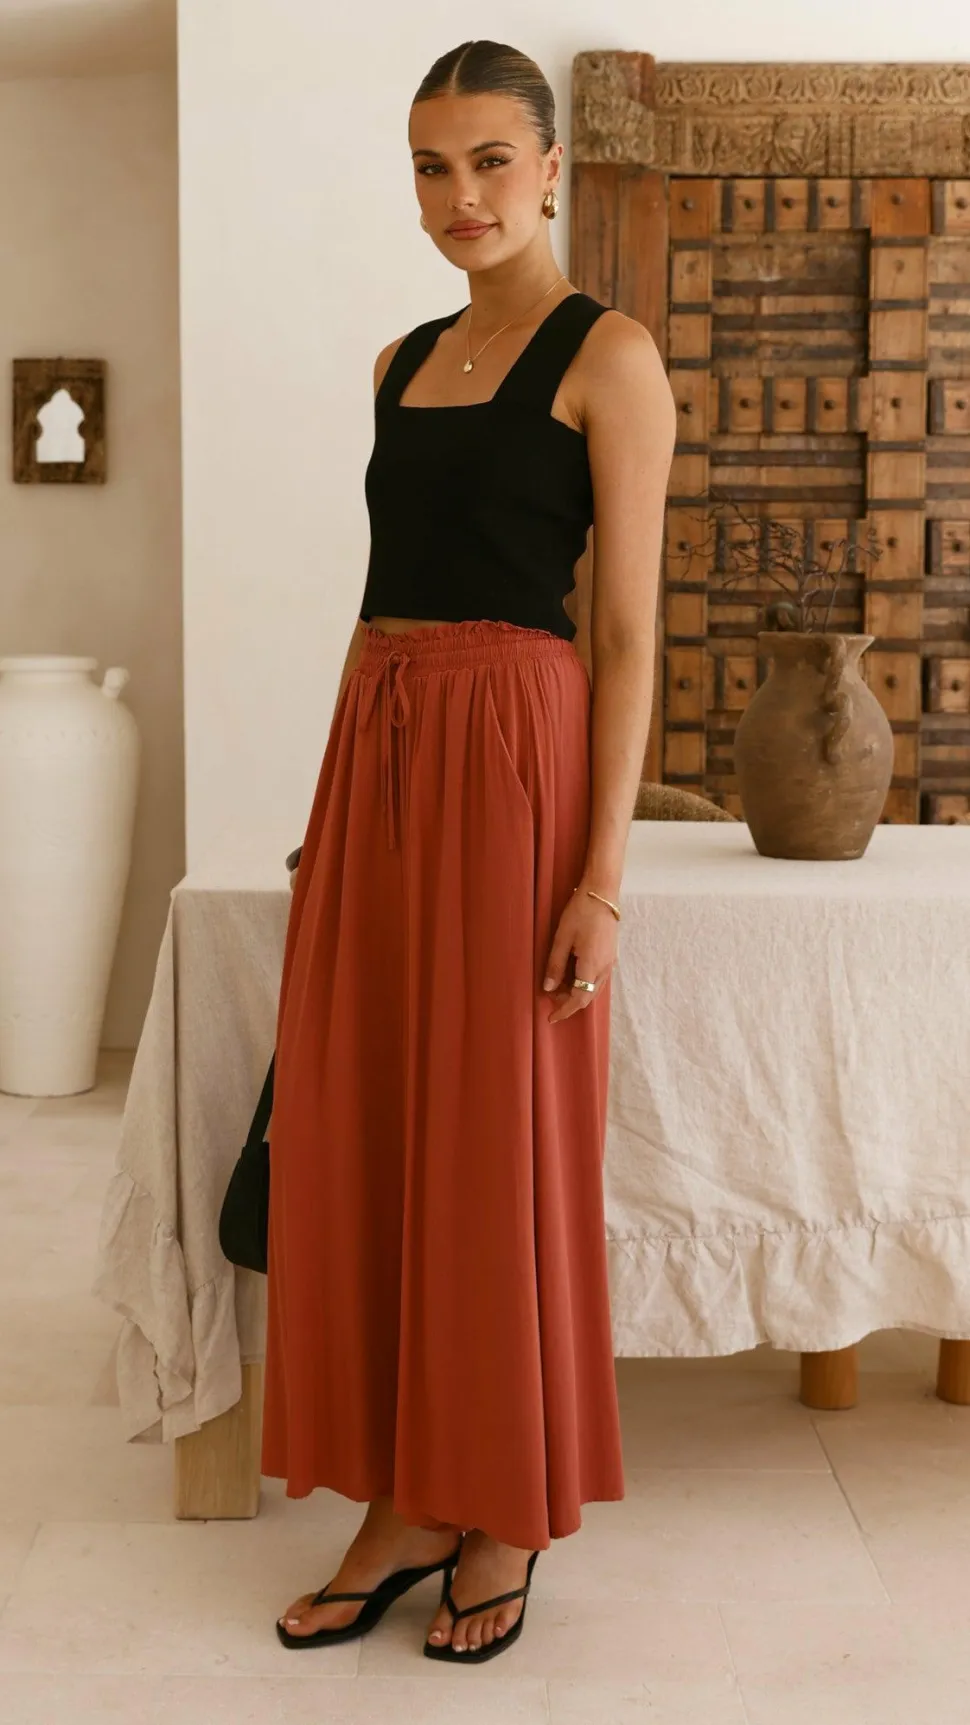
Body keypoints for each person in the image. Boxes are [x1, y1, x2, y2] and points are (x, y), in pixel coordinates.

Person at [262, 37, 676, 1666]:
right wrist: (330, 819)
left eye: (490, 160)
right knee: (373, 1123)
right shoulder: (398, 360)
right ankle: (403, 1499)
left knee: (492, 1133)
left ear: (551, 166)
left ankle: (497, 1502)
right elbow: (382, 598)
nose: (461, 196)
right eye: (432, 166)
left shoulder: (609, 356)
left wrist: (600, 878)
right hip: (378, 745)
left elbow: (625, 634)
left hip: (514, 752)